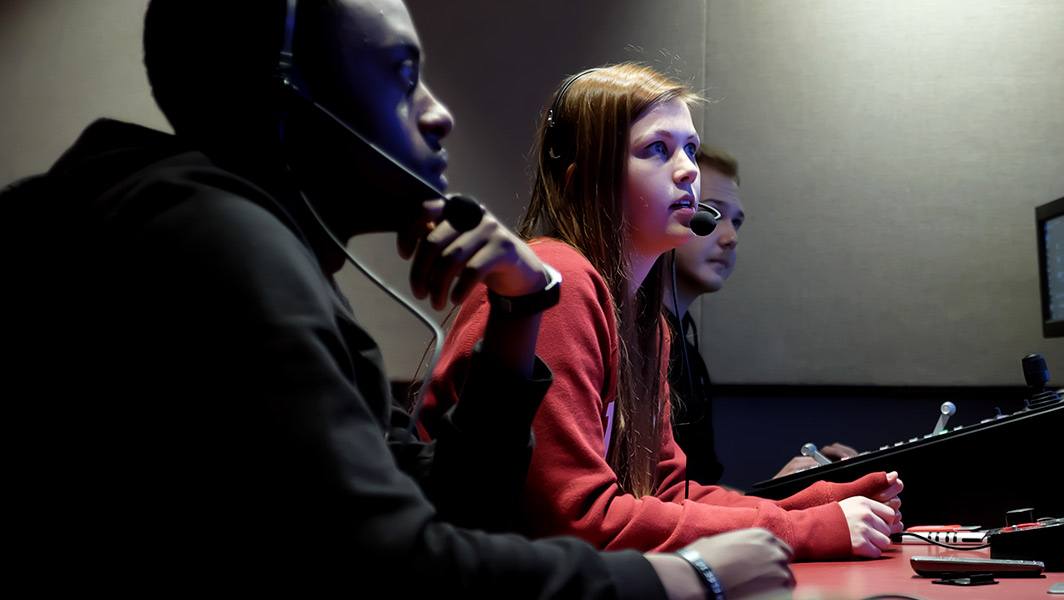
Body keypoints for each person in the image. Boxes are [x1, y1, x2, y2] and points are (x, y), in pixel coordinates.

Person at [15, 1, 792, 597]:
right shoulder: (213, 249)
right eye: (399, 73)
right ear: (289, 92)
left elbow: (453, 508)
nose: (438, 110)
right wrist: (686, 578)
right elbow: (397, 568)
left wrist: (520, 314)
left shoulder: (253, 245)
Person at [428, 64, 905, 561]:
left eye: (691, 149)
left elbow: (665, 500)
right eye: (658, 149)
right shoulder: (558, 281)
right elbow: (580, 520)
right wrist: (803, 529)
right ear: (586, 178)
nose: (688, 170)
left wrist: (818, 501)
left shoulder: (645, 320)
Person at [661, 145, 860, 483]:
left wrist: (779, 491)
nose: (731, 237)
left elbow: (696, 494)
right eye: (713, 212)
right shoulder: (630, 342)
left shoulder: (687, 357)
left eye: (736, 221)